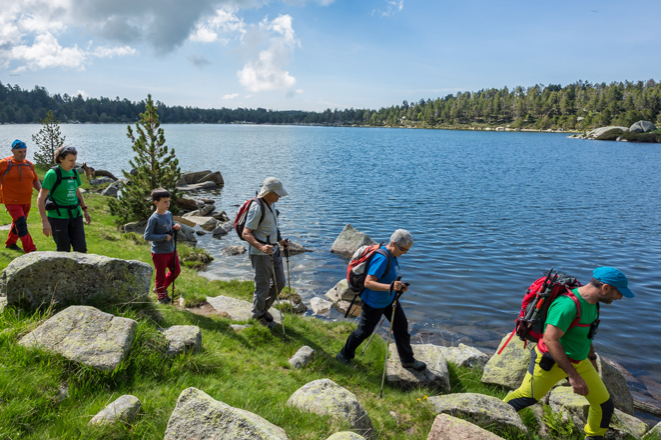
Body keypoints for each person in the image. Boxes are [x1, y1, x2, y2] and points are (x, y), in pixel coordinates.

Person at [503, 267, 635, 440]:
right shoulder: (567, 305)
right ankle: (491, 415)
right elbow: (550, 340)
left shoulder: (593, 304)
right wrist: (573, 377)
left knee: (604, 405)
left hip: (580, 361)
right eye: (619, 293)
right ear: (606, 288)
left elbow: (586, 335)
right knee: (525, 398)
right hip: (550, 362)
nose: (620, 297)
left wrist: (592, 359)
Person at [336, 229, 427, 371]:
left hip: (389, 300)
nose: (405, 253)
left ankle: (407, 360)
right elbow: (368, 283)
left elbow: (389, 278)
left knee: (401, 328)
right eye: (403, 249)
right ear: (394, 243)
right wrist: (390, 287)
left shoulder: (393, 255)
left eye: (407, 250)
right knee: (364, 331)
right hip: (373, 302)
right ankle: (343, 355)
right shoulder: (382, 258)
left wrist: (398, 288)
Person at [242, 177, 290, 328]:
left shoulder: (271, 204)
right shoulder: (257, 208)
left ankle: (263, 309)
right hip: (260, 254)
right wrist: (261, 247)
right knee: (262, 286)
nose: (280, 196)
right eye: (277, 193)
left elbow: (272, 228)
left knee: (280, 283)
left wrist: (280, 241)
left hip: (274, 250)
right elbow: (246, 233)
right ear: (268, 192)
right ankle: (257, 314)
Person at [37, 145, 91, 252]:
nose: (74, 163)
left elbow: (77, 192)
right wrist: (45, 222)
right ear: (61, 159)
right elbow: (40, 199)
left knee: (81, 249)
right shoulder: (52, 174)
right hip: (58, 218)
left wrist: (85, 210)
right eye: (70, 160)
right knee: (63, 250)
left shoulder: (74, 173)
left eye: (75, 160)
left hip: (76, 215)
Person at [0, 140, 41, 253]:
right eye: (19, 152)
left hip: (26, 200)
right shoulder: (4, 163)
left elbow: (35, 180)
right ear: (12, 151)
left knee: (18, 223)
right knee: (21, 223)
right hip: (11, 200)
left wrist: (43, 193)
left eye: (24, 151)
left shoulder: (28, 164)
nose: (22, 154)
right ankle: (31, 249)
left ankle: (11, 243)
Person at [144, 188, 182, 305]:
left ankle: (160, 289)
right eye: (164, 202)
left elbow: (169, 226)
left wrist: (175, 227)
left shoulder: (169, 214)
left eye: (169, 201)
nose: (168, 204)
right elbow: (147, 236)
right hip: (159, 252)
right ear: (156, 203)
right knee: (160, 276)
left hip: (171, 249)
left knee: (176, 271)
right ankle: (161, 298)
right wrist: (164, 237)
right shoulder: (154, 218)